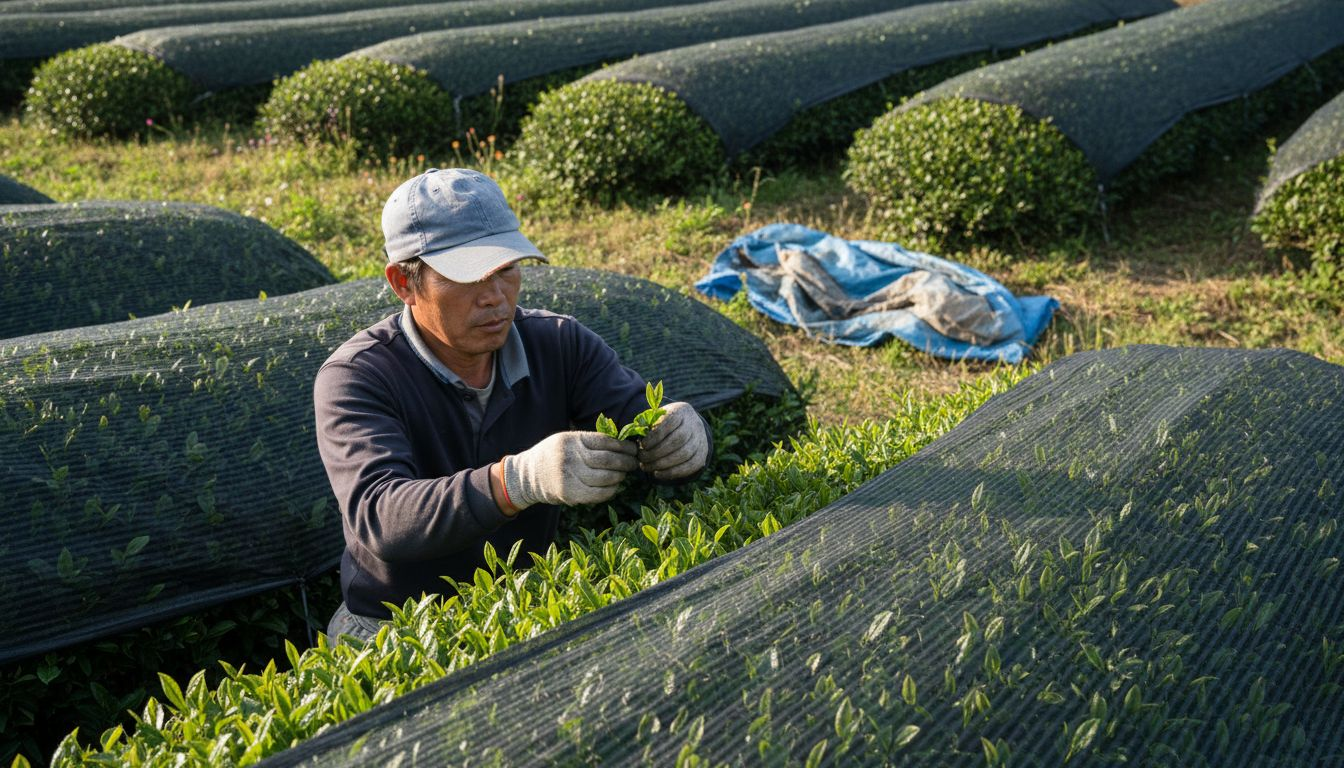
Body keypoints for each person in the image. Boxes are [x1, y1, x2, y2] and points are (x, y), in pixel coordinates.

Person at [314, 168, 711, 644]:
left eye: (506, 269)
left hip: (525, 606)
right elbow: (381, 516)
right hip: (393, 629)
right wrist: (516, 481)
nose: (495, 297)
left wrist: (684, 434)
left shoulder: (559, 344)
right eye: (466, 276)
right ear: (404, 282)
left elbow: (641, 421)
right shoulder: (357, 376)